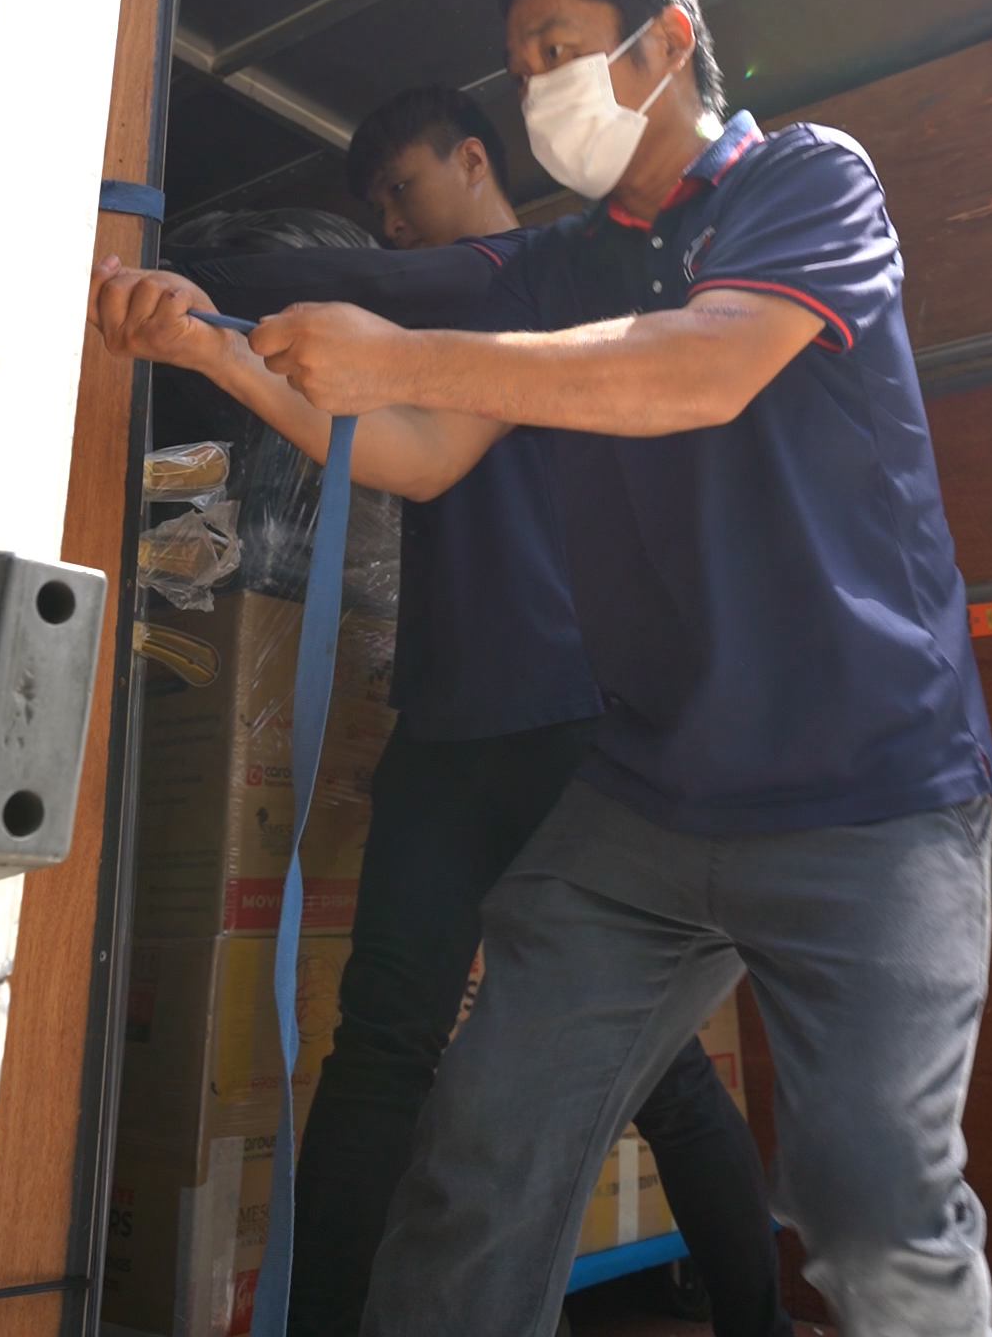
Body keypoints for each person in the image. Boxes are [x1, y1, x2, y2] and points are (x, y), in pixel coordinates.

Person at [94, 0, 992, 1337]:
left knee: (876, 1214)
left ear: (670, 41)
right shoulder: (573, 264)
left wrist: (394, 351)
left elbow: (700, 368)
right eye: (519, 67)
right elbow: (423, 453)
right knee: (480, 1161)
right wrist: (208, 340)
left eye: (560, 51)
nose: (536, 93)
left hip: (865, 791)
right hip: (647, 795)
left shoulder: (808, 181)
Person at [100, 86, 792, 1337]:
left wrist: (138, 255)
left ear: (475, 162)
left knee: (659, 1073)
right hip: (449, 726)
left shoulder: (522, 275)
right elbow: (399, 450)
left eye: (403, 192)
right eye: (375, 210)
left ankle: (759, 1317)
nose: (391, 227)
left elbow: (354, 286)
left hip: (572, 724)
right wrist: (207, 339)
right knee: (385, 1042)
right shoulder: (461, 323)